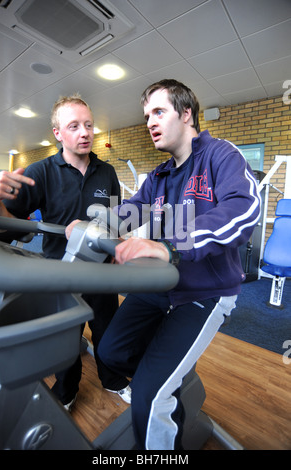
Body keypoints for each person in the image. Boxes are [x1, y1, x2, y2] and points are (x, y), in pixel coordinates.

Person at [96, 79, 261, 450]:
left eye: (158, 112)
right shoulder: (159, 176)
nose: (149, 122)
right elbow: (126, 212)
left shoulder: (220, 154)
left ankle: (158, 394)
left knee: (150, 395)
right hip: (162, 286)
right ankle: (166, 385)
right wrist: (90, 225)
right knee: (110, 352)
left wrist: (169, 245)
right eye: (146, 116)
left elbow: (245, 209)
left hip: (206, 293)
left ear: (187, 113)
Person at [0, 94, 131, 408]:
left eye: (89, 125)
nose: (85, 132)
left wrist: (118, 244)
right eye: (74, 126)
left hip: (100, 272)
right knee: (65, 339)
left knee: (107, 333)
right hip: (61, 271)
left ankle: (113, 380)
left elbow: (115, 216)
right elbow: (9, 228)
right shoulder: (41, 172)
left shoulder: (106, 172)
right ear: (58, 133)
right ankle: (66, 395)